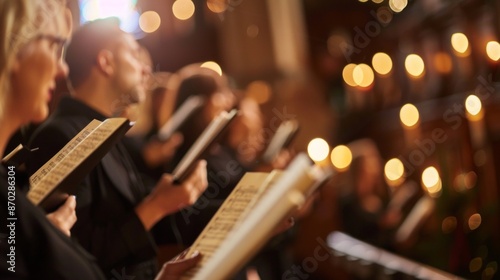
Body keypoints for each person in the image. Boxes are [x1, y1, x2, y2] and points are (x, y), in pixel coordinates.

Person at [27, 18, 208, 279]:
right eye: (134, 54)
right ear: (106, 62)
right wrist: (155, 206)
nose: (146, 69)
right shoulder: (61, 135)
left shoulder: (107, 130)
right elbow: (76, 254)